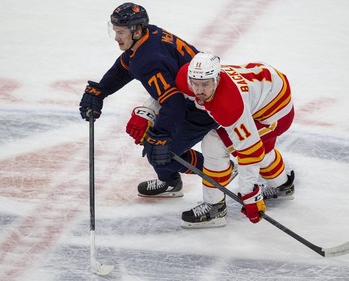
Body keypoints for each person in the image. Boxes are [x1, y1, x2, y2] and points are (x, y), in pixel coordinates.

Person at [79, 3, 219, 197]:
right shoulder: (150, 34)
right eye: (115, 31)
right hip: (195, 96)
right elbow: (125, 65)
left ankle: (220, 169)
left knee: (162, 152)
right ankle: (170, 183)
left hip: (204, 106)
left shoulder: (149, 60)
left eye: (120, 32)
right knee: (154, 145)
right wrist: (101, 90)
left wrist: (161, 135)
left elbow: (174, 102)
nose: (116, 38)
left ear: (136, 31)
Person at [175, 53, 295, 228]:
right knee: (263, 150)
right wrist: (147, 113)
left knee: (214, 143)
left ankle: (214, 208)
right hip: (267, 87)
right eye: (195, 83)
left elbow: (250, 151)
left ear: (216, 79)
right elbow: (167, 96)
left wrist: (250, 196)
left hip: (275, 112)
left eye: (205, 84)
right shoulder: (186, 78)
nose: (199, 90)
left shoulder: (229, 104)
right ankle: (283, 185)